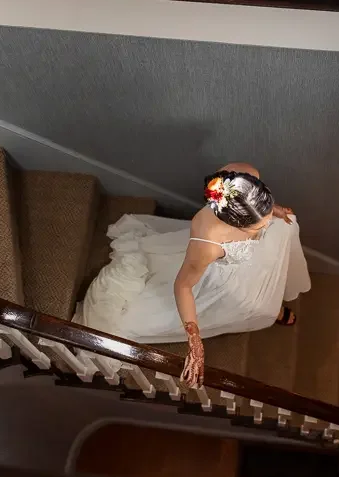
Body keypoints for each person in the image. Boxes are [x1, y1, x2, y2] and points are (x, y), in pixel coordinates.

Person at [74, 163, 311, 388]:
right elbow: (183, 286)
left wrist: (270, 210)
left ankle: (272, 298)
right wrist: (194, 339)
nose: (265, 226)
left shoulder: (243, 175)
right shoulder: (207, 244)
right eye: (258, 226)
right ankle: (271, 309)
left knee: (284, 227)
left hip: (251, 257)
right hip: (221, 276)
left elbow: (255, 203)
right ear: (236, 223)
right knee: (252, 304)